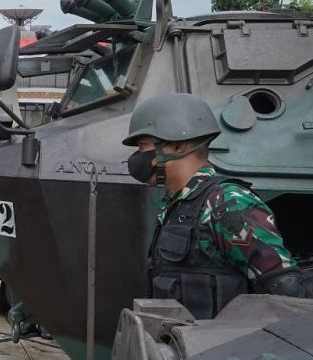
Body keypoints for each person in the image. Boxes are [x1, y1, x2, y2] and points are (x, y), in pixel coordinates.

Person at [123, 92, 309, 318]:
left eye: (143, 146)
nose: (138, 157)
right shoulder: (177, 205)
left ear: (179, 145)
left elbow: (286, 290)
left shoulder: (227, 202)